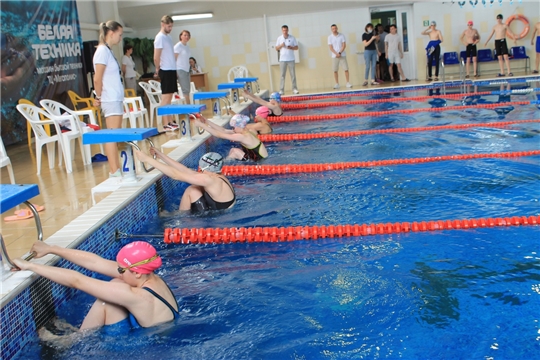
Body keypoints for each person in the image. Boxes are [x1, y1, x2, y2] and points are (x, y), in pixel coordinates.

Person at [12, 241, 179, 333]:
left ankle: (73, 341)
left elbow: (77, 281)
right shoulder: (149, 277)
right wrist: (51, 249)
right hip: (151, 330)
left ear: (136, 273)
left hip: (146, 348)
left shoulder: (139, 297)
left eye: (121, 269)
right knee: (116, 283)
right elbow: (96, 262)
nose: (118, 271)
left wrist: (30, 267)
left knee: (107, 297)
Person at [135, 149, 235, 213]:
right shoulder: (217, 176)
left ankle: (180, 218)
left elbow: (175, 175)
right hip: (222, 212)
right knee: (194, 189)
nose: (200, 170)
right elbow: (185, 170)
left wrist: (147, 159)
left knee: (191, 190)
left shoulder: (208, 179)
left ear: (206, 168)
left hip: (218, 219)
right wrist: (160, 155)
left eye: (201, 168)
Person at [93, 21, 124, 178]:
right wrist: (97, 97)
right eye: (120, 34)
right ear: (111, 33)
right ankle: (114, 171)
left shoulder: (108, 51)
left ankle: (116, 168)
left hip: (115, 98)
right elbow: (97, 78)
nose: (120, 38)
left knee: (116, 136)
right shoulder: (102, 51)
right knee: (112, 136)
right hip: (109, 99)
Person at [193, 114, 268, 162]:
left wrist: (201, 125)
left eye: (234, 127)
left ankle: (221, 164)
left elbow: (219, 134)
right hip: (258, 159)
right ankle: (223, 162)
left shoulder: (242, 136)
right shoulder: (246, 131)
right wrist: (206, 121)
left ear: (239, 126)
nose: (233, 129)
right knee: (233, 150)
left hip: (261, 162)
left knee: (235, 151)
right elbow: (223, 130)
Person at [154, 15, 178, 131]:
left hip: (171, 69)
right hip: (165, 69)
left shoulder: (168, 37)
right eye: (169, 26)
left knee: (170, 97)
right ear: (163, 24)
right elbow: (156, 56)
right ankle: (165, 123)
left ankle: (170, 121)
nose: (170, 28)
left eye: (171, 26)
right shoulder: (160, 38)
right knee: (165, 97)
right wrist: (157, 69)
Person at [275, 25, 299, 95]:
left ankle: (294, 89)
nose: (285, 32)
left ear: (288, 30)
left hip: (291, 59)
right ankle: (281, 90)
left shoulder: (292, 38)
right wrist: (281, 46)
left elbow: (297, 47)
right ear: (282, 31)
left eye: (286, 30)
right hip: (282, 59)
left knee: (293, 75)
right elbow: (276, 48)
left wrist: (292, 47)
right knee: (282, 75)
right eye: (283, 30)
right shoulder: (279, 38)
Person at [328, 24, 352, 89]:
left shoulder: (342, 35)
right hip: (334, 56)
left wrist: (339, 52)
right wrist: (336, 54)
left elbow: (344, 45)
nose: (334, 30)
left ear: (337, 28)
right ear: (331, 30)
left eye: (335, 28)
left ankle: (347, 82)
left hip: (342, 54)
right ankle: (337, 83)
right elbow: (330, 47)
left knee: (346, 69)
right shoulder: (330, 37)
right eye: (333, 29)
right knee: (335, 70)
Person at [174, 30, 191, 104]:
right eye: (185, 35)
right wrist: (174, 70)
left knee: (188, 90)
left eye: (188, 35)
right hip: (180, 69)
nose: (186, 37)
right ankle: (189, 110)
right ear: (181, 36)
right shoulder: (178, 46)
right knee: (185, 90)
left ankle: (189, 108)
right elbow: (174, 58)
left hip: (187, 69)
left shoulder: (187, 46)